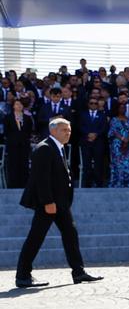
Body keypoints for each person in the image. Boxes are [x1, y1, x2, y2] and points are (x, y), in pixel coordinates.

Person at [15, 118, 103, 288]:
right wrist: (48, 201)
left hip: (61, 203)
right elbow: (41, 179)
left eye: (69, 130)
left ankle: (78, 272)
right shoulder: (45, 148)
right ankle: (23, 276)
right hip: (49, 203)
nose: (68, 133)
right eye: (64, 130)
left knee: (71, 234)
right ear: (53, 131)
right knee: (36, 237)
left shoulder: (58, 147)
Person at [79, 97, 109, 187]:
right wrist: (88, 134)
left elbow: (104, 127)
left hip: (98, 142)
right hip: (86, 142)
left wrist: (96, 134)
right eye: (91, 103)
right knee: (86, 164)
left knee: (98, 164)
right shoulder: (83, 114)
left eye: (95, 103)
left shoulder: (102, 115)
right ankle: (87, 184)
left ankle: (98, 183)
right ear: (88, 104)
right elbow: (80, 126)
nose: (93, 105)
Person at [4, 99, 34, 188]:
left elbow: (29, 131)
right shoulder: (8, 117)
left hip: (24, 144)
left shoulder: (27, 118)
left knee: (24, 164)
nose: (19, 106)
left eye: (20, 104)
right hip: (12, 145)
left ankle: (24, 183)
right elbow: (6, 131)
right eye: (17, 104)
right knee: (13, 164)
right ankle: (13, 184)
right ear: (13, 106)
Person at [107, 103, 129, 187]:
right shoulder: (114, 120)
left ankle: (127, 183)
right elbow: (113, 132)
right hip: (117, 145)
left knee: (128, 164)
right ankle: (117, 183)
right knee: (118, 164)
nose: (123, 109)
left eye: (124, 108)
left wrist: (128, 139)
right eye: (121, 108)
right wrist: (123, 139)